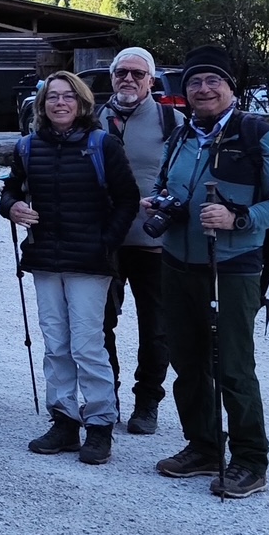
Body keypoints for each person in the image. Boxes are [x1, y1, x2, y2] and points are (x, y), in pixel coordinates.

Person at [147, 45, 269, 499]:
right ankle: (203, 445)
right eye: (194, 82)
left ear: (231, 87)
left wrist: (239, 220)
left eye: (213, 80)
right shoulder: (179, 137)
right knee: (187, 361)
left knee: (233, 366)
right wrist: (158, 203)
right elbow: (162, 185)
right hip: (178, 262)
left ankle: (251, 460)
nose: (203, 89)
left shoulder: (259, 134)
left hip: (232, 267)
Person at [2, 71, 140, 464]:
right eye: (52, 98)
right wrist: (11, 207)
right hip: (46, 259)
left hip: (90, 263)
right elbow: (11, 188)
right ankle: (64, 420)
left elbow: (128, 200)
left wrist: (105, 244)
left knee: (86, 345)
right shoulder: (28, 147)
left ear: (81, 103)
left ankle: (99, 425)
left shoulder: (102, 145)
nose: (59, 103)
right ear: (42, 106)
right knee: (56, 343)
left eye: (67, 97)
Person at [98, 46, 178, 436]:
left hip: (153, 243)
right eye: (121, 72)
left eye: (137, 73)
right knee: (100, 323)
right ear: (112, 77)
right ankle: (106, 398)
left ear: (151, 80)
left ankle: (147, 403)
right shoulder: (93, 118)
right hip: (104, 241)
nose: (128, 79)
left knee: (156, 327)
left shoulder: (171, 120)